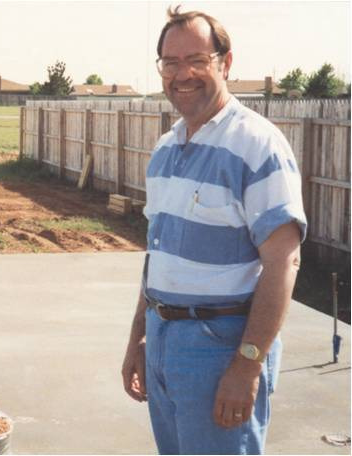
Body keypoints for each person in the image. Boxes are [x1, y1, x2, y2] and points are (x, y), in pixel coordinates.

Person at [121, 7, 306, 455]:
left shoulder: (256, 144)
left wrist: (247, 366)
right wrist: (138, 338)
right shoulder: (167, 149)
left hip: (220, 346)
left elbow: (283, 261)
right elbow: (158, 257)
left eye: (197, 60)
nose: (182, 74)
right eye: (170, 62)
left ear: (225, 62)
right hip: (164, 340)